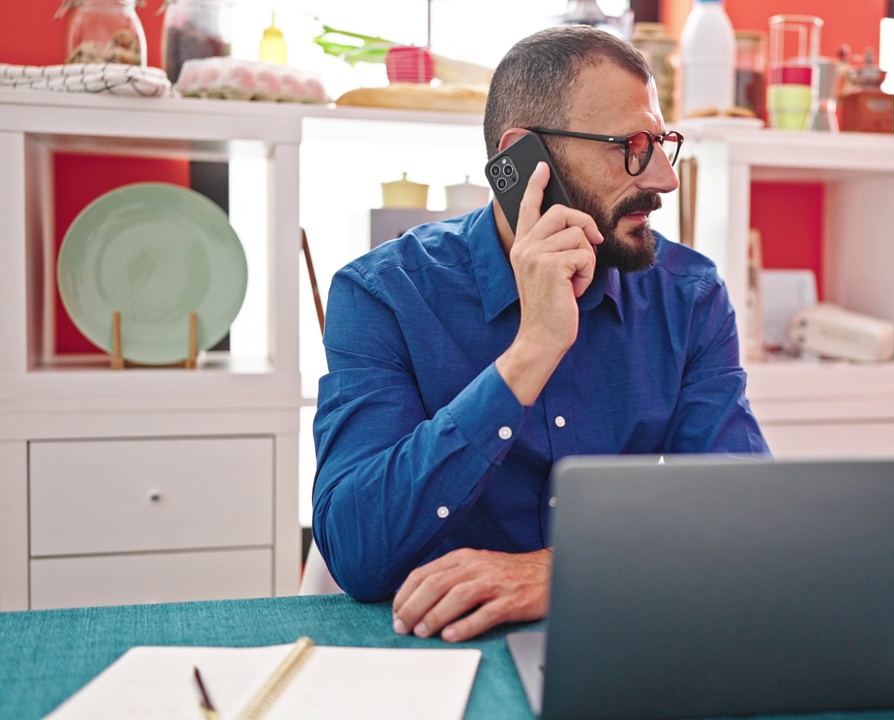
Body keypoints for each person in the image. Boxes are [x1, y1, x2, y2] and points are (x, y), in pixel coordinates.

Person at [312, 25, 768, 643]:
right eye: (631, 146)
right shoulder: (384, 294)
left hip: (621, 637)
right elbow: (359, 552)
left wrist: (559, 574)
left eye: (662, 143)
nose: (665, 178)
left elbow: (746, 521)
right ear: (522, 161)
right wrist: (532, 349)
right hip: (439, 652)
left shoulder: (687, 295)